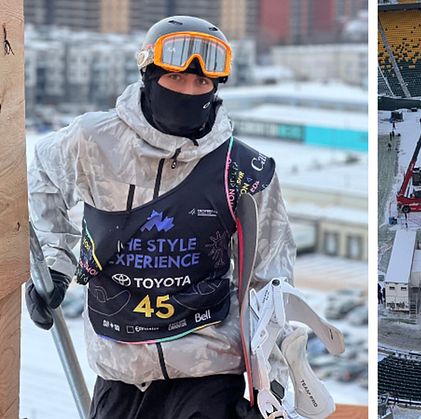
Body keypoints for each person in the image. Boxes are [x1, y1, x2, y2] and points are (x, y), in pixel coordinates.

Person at [26, 16, 299, 418]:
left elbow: (269, 282)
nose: (189, 91)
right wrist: (56, 262)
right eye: (176, 80)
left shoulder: (241, 170)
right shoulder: (94, 142)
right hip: (118, 364)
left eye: (201, 84)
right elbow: (44, 178)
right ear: (149, 76)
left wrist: (269, 388)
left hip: (206, 367)